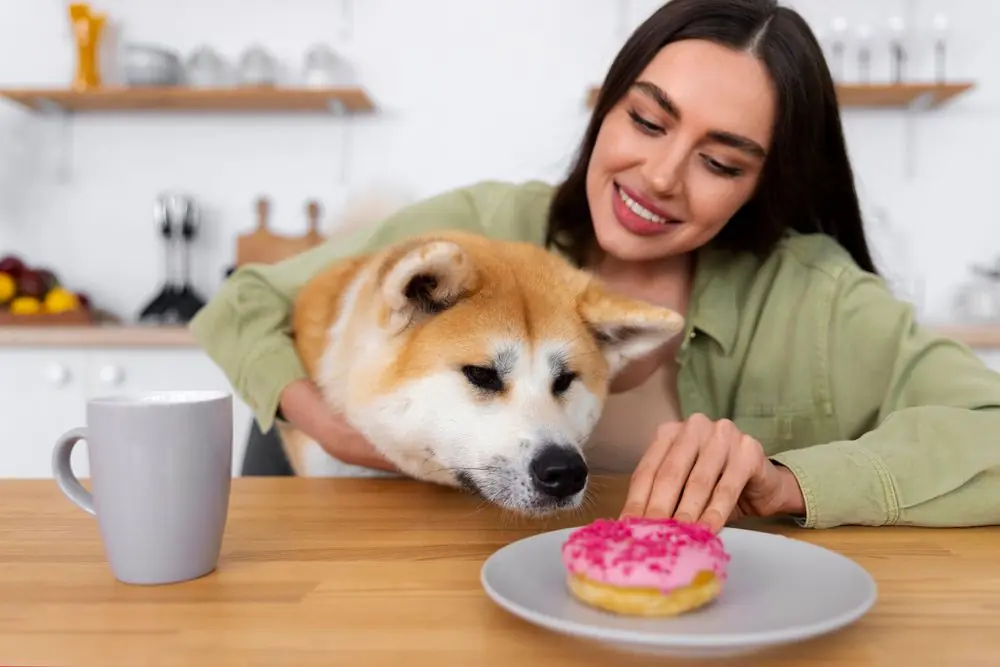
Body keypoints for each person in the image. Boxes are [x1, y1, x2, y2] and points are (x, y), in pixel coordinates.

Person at [190, 0, 1000, 532]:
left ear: (765, 186)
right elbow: (244, 303)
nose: (659, 175)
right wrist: (337, 425)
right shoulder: (481, 232)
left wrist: (792, 481)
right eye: (647, 120)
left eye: (720, 162)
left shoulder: (816, 299)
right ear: (608, 105)